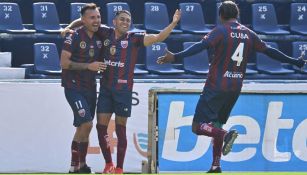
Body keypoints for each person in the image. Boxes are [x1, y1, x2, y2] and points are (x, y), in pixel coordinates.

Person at [157, 1, 306, 173]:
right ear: (237, 15)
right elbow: (269, 50)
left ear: (220, 16)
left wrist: (175, 57)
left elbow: (201, 46)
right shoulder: (249, 33)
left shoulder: (220, 30)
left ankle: (224, 135)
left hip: (216, 86)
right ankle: (216, 165)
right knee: (217, 123)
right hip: (235, 88)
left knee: (197, 126)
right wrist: (294, 61)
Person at [63, 8, 181, 174]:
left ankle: (119, 168)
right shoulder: (105, 32)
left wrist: (173, 23)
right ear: (114, 22)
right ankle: (108, 165)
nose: (125, 22)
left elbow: (158, 37)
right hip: (105, 89)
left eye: (128, 20)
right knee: (100, 127)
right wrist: (69, 28)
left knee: (120, 129)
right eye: (122, 19)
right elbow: (86, 22)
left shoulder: (134, 38)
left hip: (124, 91)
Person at [60, 3, 107, 173]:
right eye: (92, 17)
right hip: (73, 87)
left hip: (90, 87)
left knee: (84, 127)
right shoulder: (72, 36)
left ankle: (81, 165)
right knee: (86, 124)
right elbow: (64, 63)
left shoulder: (101, 34)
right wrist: (89, 66)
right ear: (83, 20)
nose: (96, 21)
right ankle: (74, 167)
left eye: (98, 17)